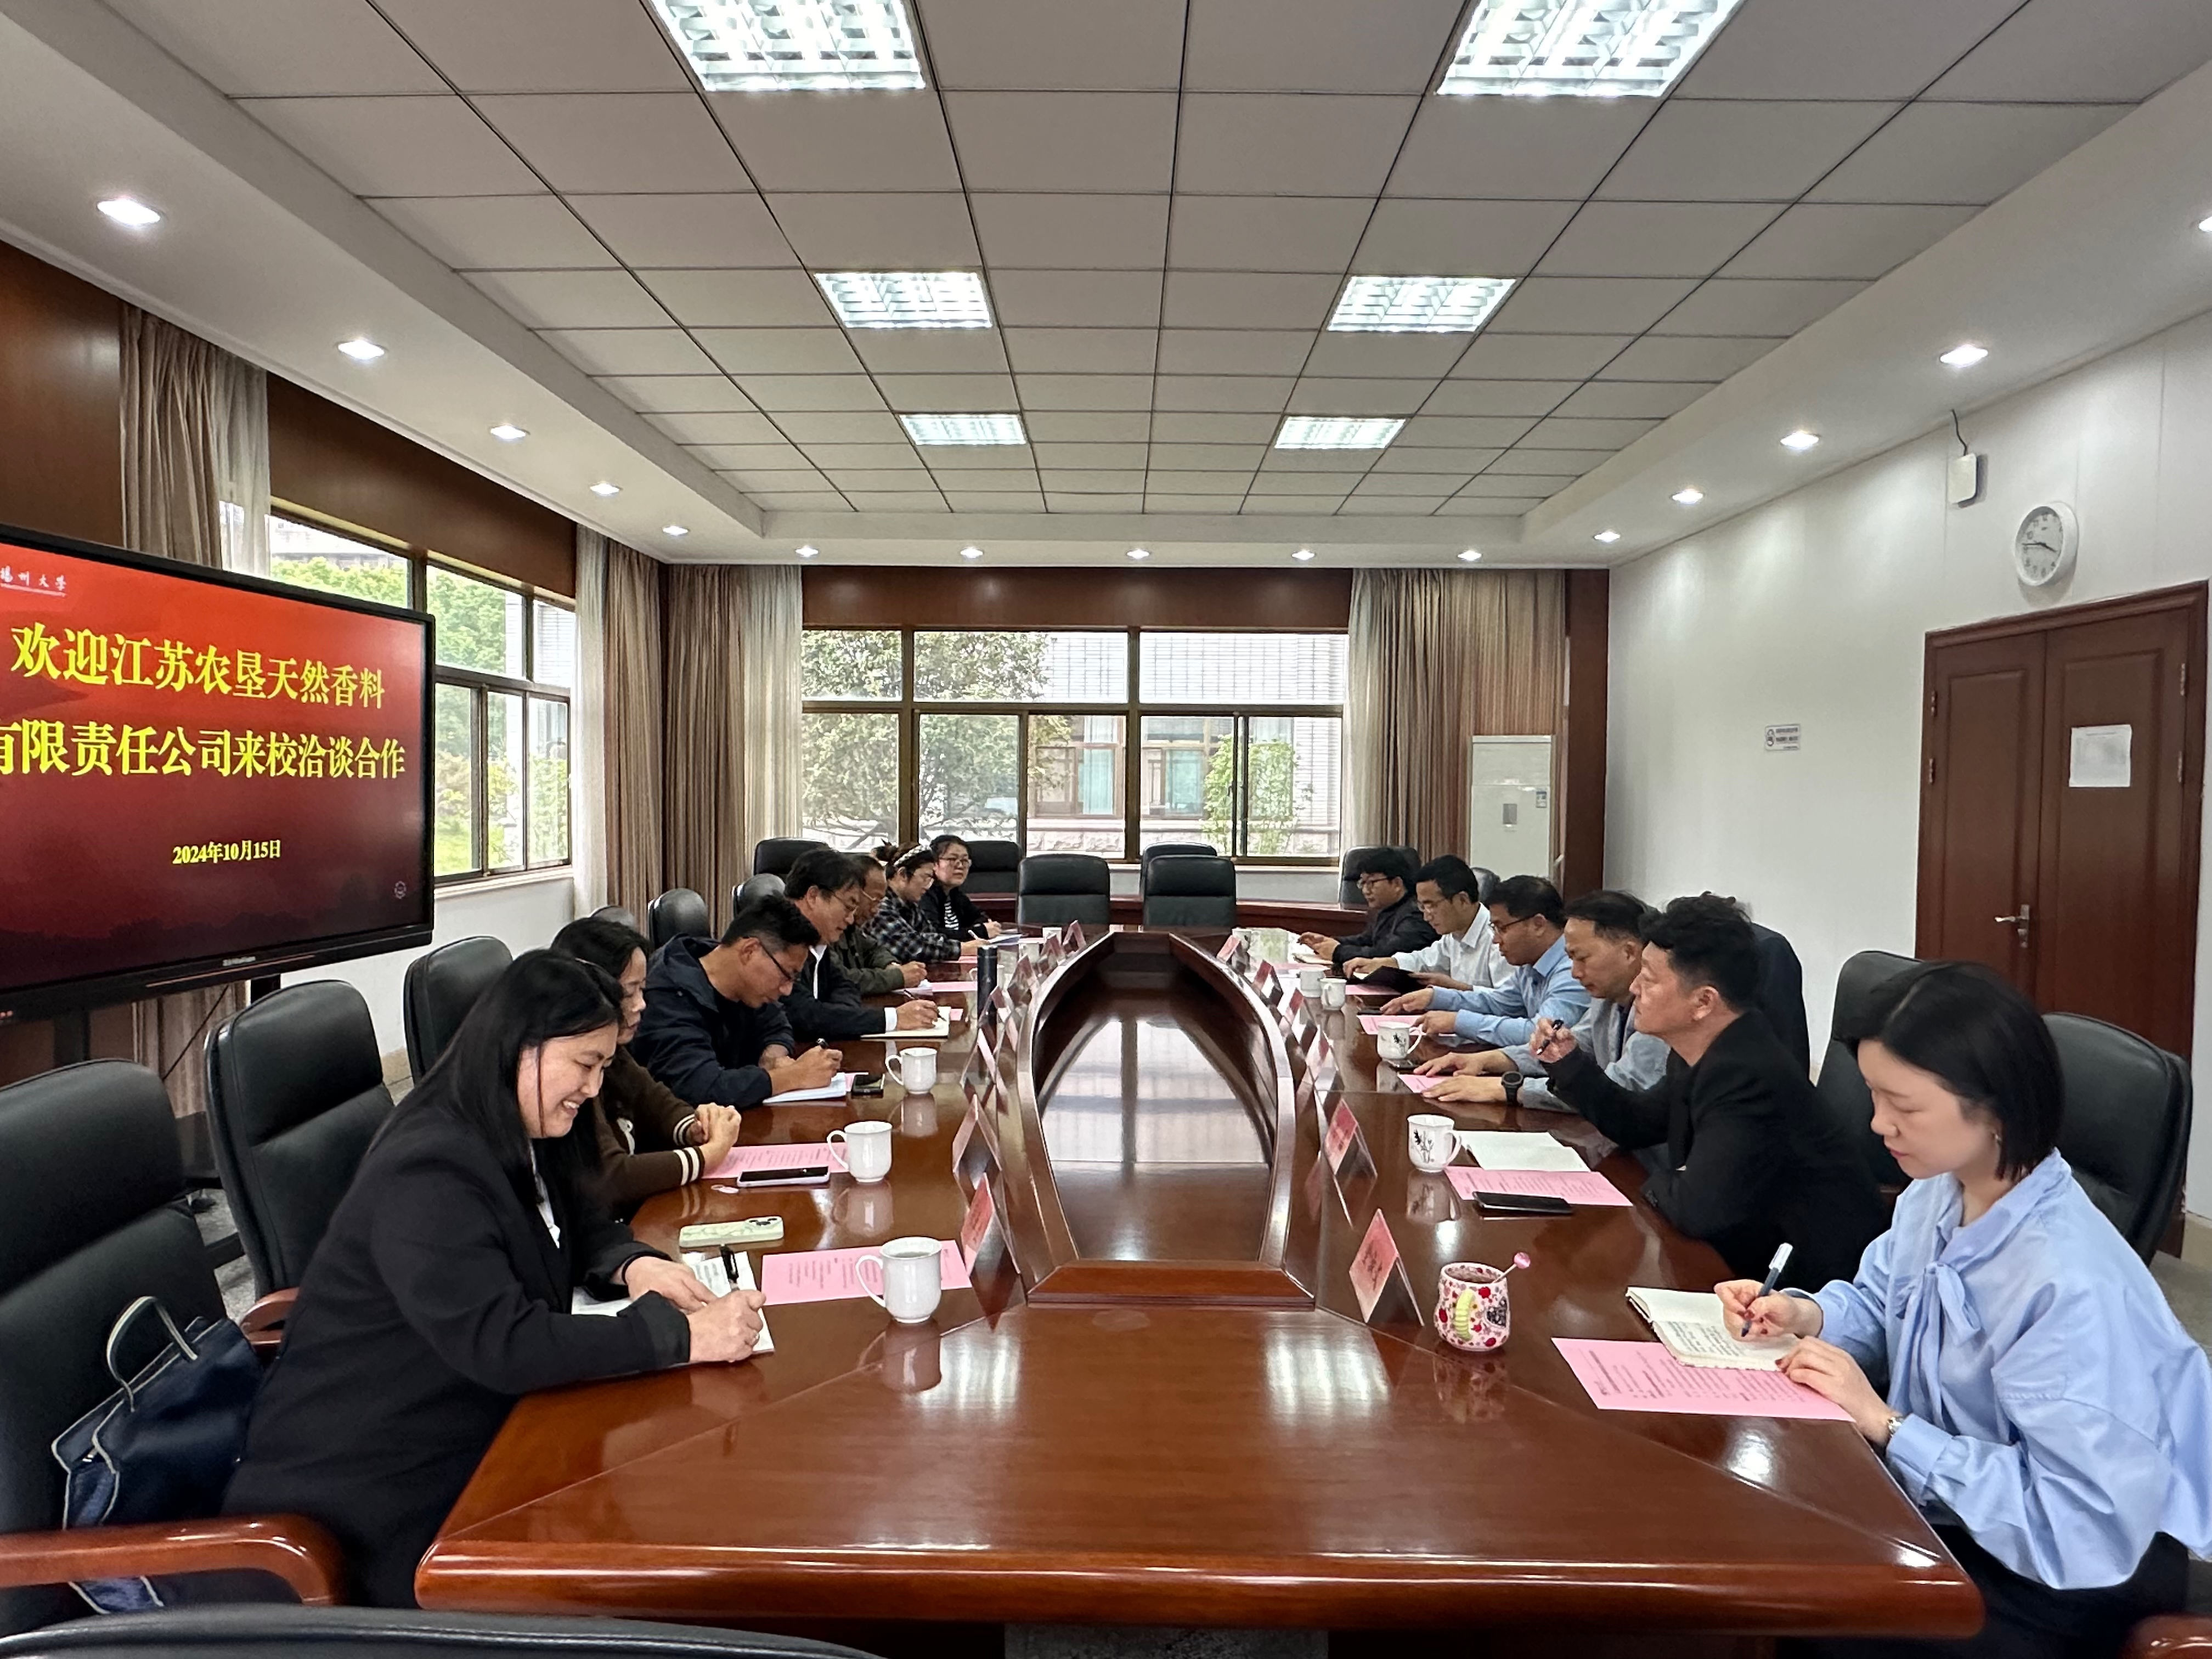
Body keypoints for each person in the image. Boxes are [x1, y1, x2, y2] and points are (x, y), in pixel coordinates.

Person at [222, 952, 766, 1607]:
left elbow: (582, 1218)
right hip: (375, 1494)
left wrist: (632, 1262)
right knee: (637, 1574)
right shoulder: (429, 1168)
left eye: (604, 1066)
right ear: (521, 1048)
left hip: (482, 1426)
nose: (595, 1088)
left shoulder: (527, 1120)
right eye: (586, 1065)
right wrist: (679, 1338)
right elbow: (503, 1343)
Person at [1726, 964, 2212, 1659]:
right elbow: (1880, 1303)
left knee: (1808, 1614)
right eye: (1873, 1095)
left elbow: (2077, 1520)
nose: (1877, 1123)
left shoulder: (2069, 1282)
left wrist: (1889, 1426)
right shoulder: (1938, 1190)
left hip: (2069, 1567)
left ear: (1997, 1107)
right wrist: (1806, 1317)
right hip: (1960, 1508)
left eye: (1903, 1105)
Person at [1531, 895, 1884, 1288]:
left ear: (1703, 1002)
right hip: (1738, 1258)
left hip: (1803, 1284)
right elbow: (1638, 1124)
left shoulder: (1748, 1075)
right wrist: (1569, 1064)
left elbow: (1698, 1209)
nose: (1634, 987)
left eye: (1649, 979)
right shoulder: (1702, 1049)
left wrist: (1661, 1179)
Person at [549, 915, 741, 1212]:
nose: (641, 1004)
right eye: (629, 992)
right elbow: (610, 1175)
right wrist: (707, 1157)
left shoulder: (615, 1052)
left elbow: (654, 1102)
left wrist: (697, 1128)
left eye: (643, 989)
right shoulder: (571, 1075)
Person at [1411, 888, 1667, 1109]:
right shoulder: (1607, 996)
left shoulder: (1659, 1009)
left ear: (1629, 952)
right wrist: (1486, 1060)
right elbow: (1571, 1049)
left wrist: (1510, 1089)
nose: (1575, 972)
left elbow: (1620, 1088)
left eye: (1582, 958)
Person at [631, 894, 842, 1108]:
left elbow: (777, 1024)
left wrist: (773, 1055)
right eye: (787, 975)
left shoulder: (741, 981)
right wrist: (793, 1076)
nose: (787, 990)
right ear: (750, 951)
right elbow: (700, 1088)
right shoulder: (668, 994)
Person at [1383, 874, 1588, 1047]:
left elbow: (1540, 1035)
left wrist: (1459, 1022)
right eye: (1494, 929)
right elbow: (1499, 1003)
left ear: (1538, 924)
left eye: (1502, 928)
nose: (1496, 939)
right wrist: (1435, 997)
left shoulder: (1572, 971)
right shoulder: (1531, 963)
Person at [782, 847, 942, 1043]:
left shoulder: (817, 941)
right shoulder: (778, 940)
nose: (851, 919)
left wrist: (841, 1017)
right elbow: (806, 1015)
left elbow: (844, 985)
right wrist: (893, 1018)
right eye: (848, 906)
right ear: (814, 896)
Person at [1342, 855, 1508, 989]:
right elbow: (1423, 961)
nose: (1427, 917)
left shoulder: (1498, 939)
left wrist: (1458, 989)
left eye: (1432, 906)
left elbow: (1510, 1004)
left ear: (1462, 900)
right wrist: (1382, 964)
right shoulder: (1454, 934)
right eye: (1423, 907)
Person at [1299, 847, 1436, 971]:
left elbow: (1385, 955)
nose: (1365, 890)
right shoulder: (1389, 909)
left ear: (1397, 883)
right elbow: (1366, 940)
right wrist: (1327, 942)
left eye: (1372, 883)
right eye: (1363, 883)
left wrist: (1338, 951)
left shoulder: (1416, 914)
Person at [832, 854, 926, 994]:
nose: (876, 911)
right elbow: (839, 980)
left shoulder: (851, 927)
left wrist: (891, 966)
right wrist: (897, 977)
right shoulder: (824, 928)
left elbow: (873, 950)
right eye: (875, 900)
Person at [874, 842, 977, 962]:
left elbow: (932, 936)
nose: (929, 886)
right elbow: (913, 949)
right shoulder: (879, 906)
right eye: (926, 878)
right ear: (903, 874)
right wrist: (963, 949)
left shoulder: (910, 906)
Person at [925, 834, 1001, 942]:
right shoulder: (924, 895)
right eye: (952, 859)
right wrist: (978, 932)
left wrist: (979, 929)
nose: (960, 866)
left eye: (965, 860)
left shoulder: (955, 895)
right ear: (934, 864)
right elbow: (933, 936)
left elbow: (981, 918)